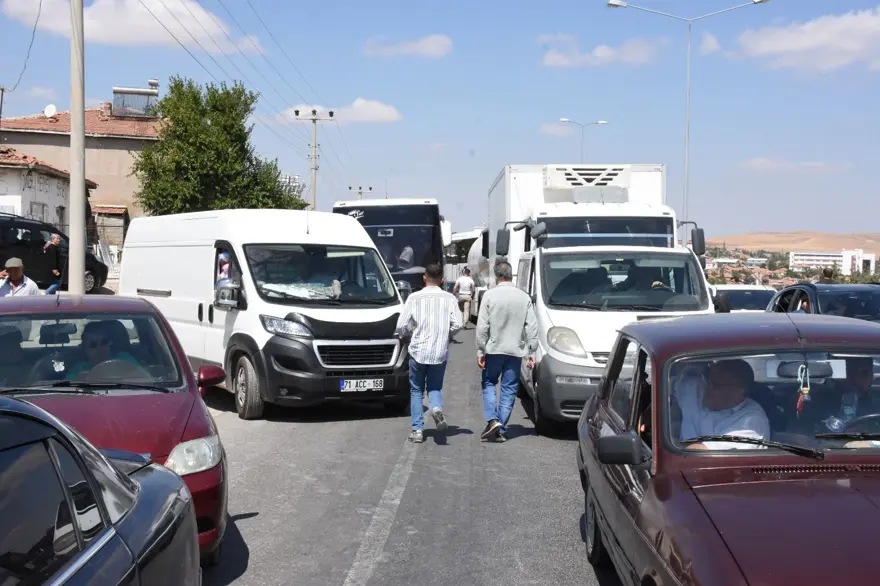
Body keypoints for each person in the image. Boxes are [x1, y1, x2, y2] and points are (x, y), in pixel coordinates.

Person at [395, 263, 462, 443]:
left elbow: (401, 325)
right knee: (434, 387)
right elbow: (458, 323)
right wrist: (446, 335)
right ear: (442, 279)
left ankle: (417, 430)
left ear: (424, 277)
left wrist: (409, 333)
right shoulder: (449, 299)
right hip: (439, 352)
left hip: (418, 351)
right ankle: (437, 408)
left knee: (416, 390)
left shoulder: (414, 298)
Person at [476, 261, 538, 442]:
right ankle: (500, 429)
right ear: (511, 275)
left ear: (496, 276)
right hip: (515, 350)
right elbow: (531, 327)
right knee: (509, 388)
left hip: (494, 349)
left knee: (489, 382)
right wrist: (531, 351)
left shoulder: (489, 296)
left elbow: (482, 327)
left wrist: (480, 350)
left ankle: (492, 420)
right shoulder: (524, 297)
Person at [672, 359, 770, 450]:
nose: (706, 387)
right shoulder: (695, 389)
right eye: (707, 379)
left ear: (737, 392)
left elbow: (701, 453)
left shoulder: (751, 422)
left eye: (715, 384)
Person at [65, 321, 140, 380]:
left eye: (104, 342)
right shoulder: (78, 369)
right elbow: (67, 388)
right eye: (93, 345)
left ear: (110, 343)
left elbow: (143, 377)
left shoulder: (124, 358)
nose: (100, 348)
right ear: (85, 349)